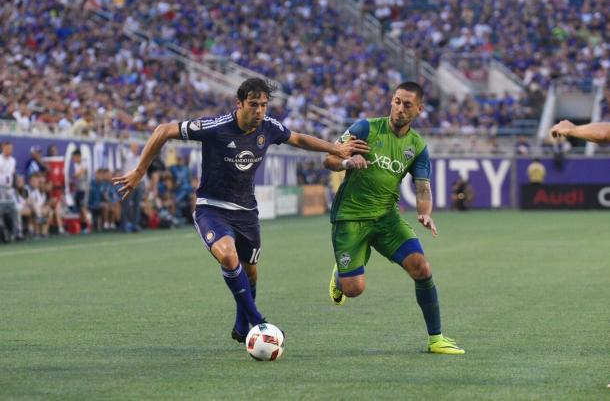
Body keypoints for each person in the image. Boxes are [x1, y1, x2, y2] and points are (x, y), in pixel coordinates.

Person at [112, 78, 369, 343]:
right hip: (212, 208)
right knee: (227, 255)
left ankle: (240, 327)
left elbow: (299, 138)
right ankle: (259, 322)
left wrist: (335, 148)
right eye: (253, 104)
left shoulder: (269, 128)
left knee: (251, 272)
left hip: (246, 212)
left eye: (264, 105)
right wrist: (140, 171)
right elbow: (163, 130)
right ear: (239, 103)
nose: (259, 111)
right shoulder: (216, 127)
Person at [324, 82, 465, 355]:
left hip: (387, 218)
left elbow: (422, 186)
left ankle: (436, 339)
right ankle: (341, 275)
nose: (400, 108)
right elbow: (329, 158)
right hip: (350, 219)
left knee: (421, 267)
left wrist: (425, 212)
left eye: (407, 104)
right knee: (353, 289)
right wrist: (347, 162)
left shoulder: (417, 146)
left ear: (419, 109)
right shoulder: (366, 128)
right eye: (397, 101)